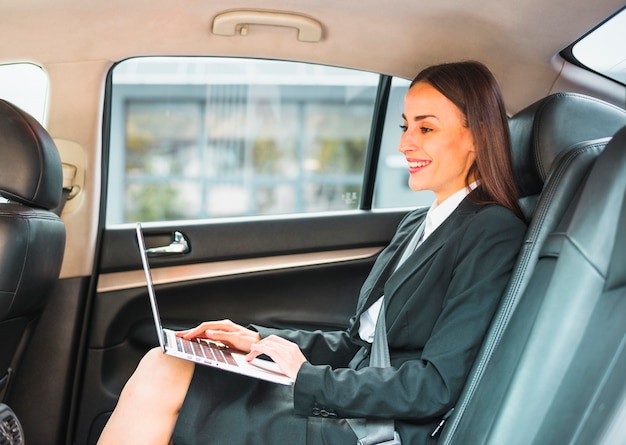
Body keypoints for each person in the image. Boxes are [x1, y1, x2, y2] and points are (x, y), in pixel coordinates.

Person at [98, 61, 527, 445]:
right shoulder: (418, 223)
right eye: (404, 126)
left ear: (478, 136)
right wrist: (259, 340)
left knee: (166, 381)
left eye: (426, 128)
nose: (405, 144)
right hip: (347, 400)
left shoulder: (493, 232)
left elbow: (435, 385)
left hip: (374, 427)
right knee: (165, 361)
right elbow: (359, 342)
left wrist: (307, 378)